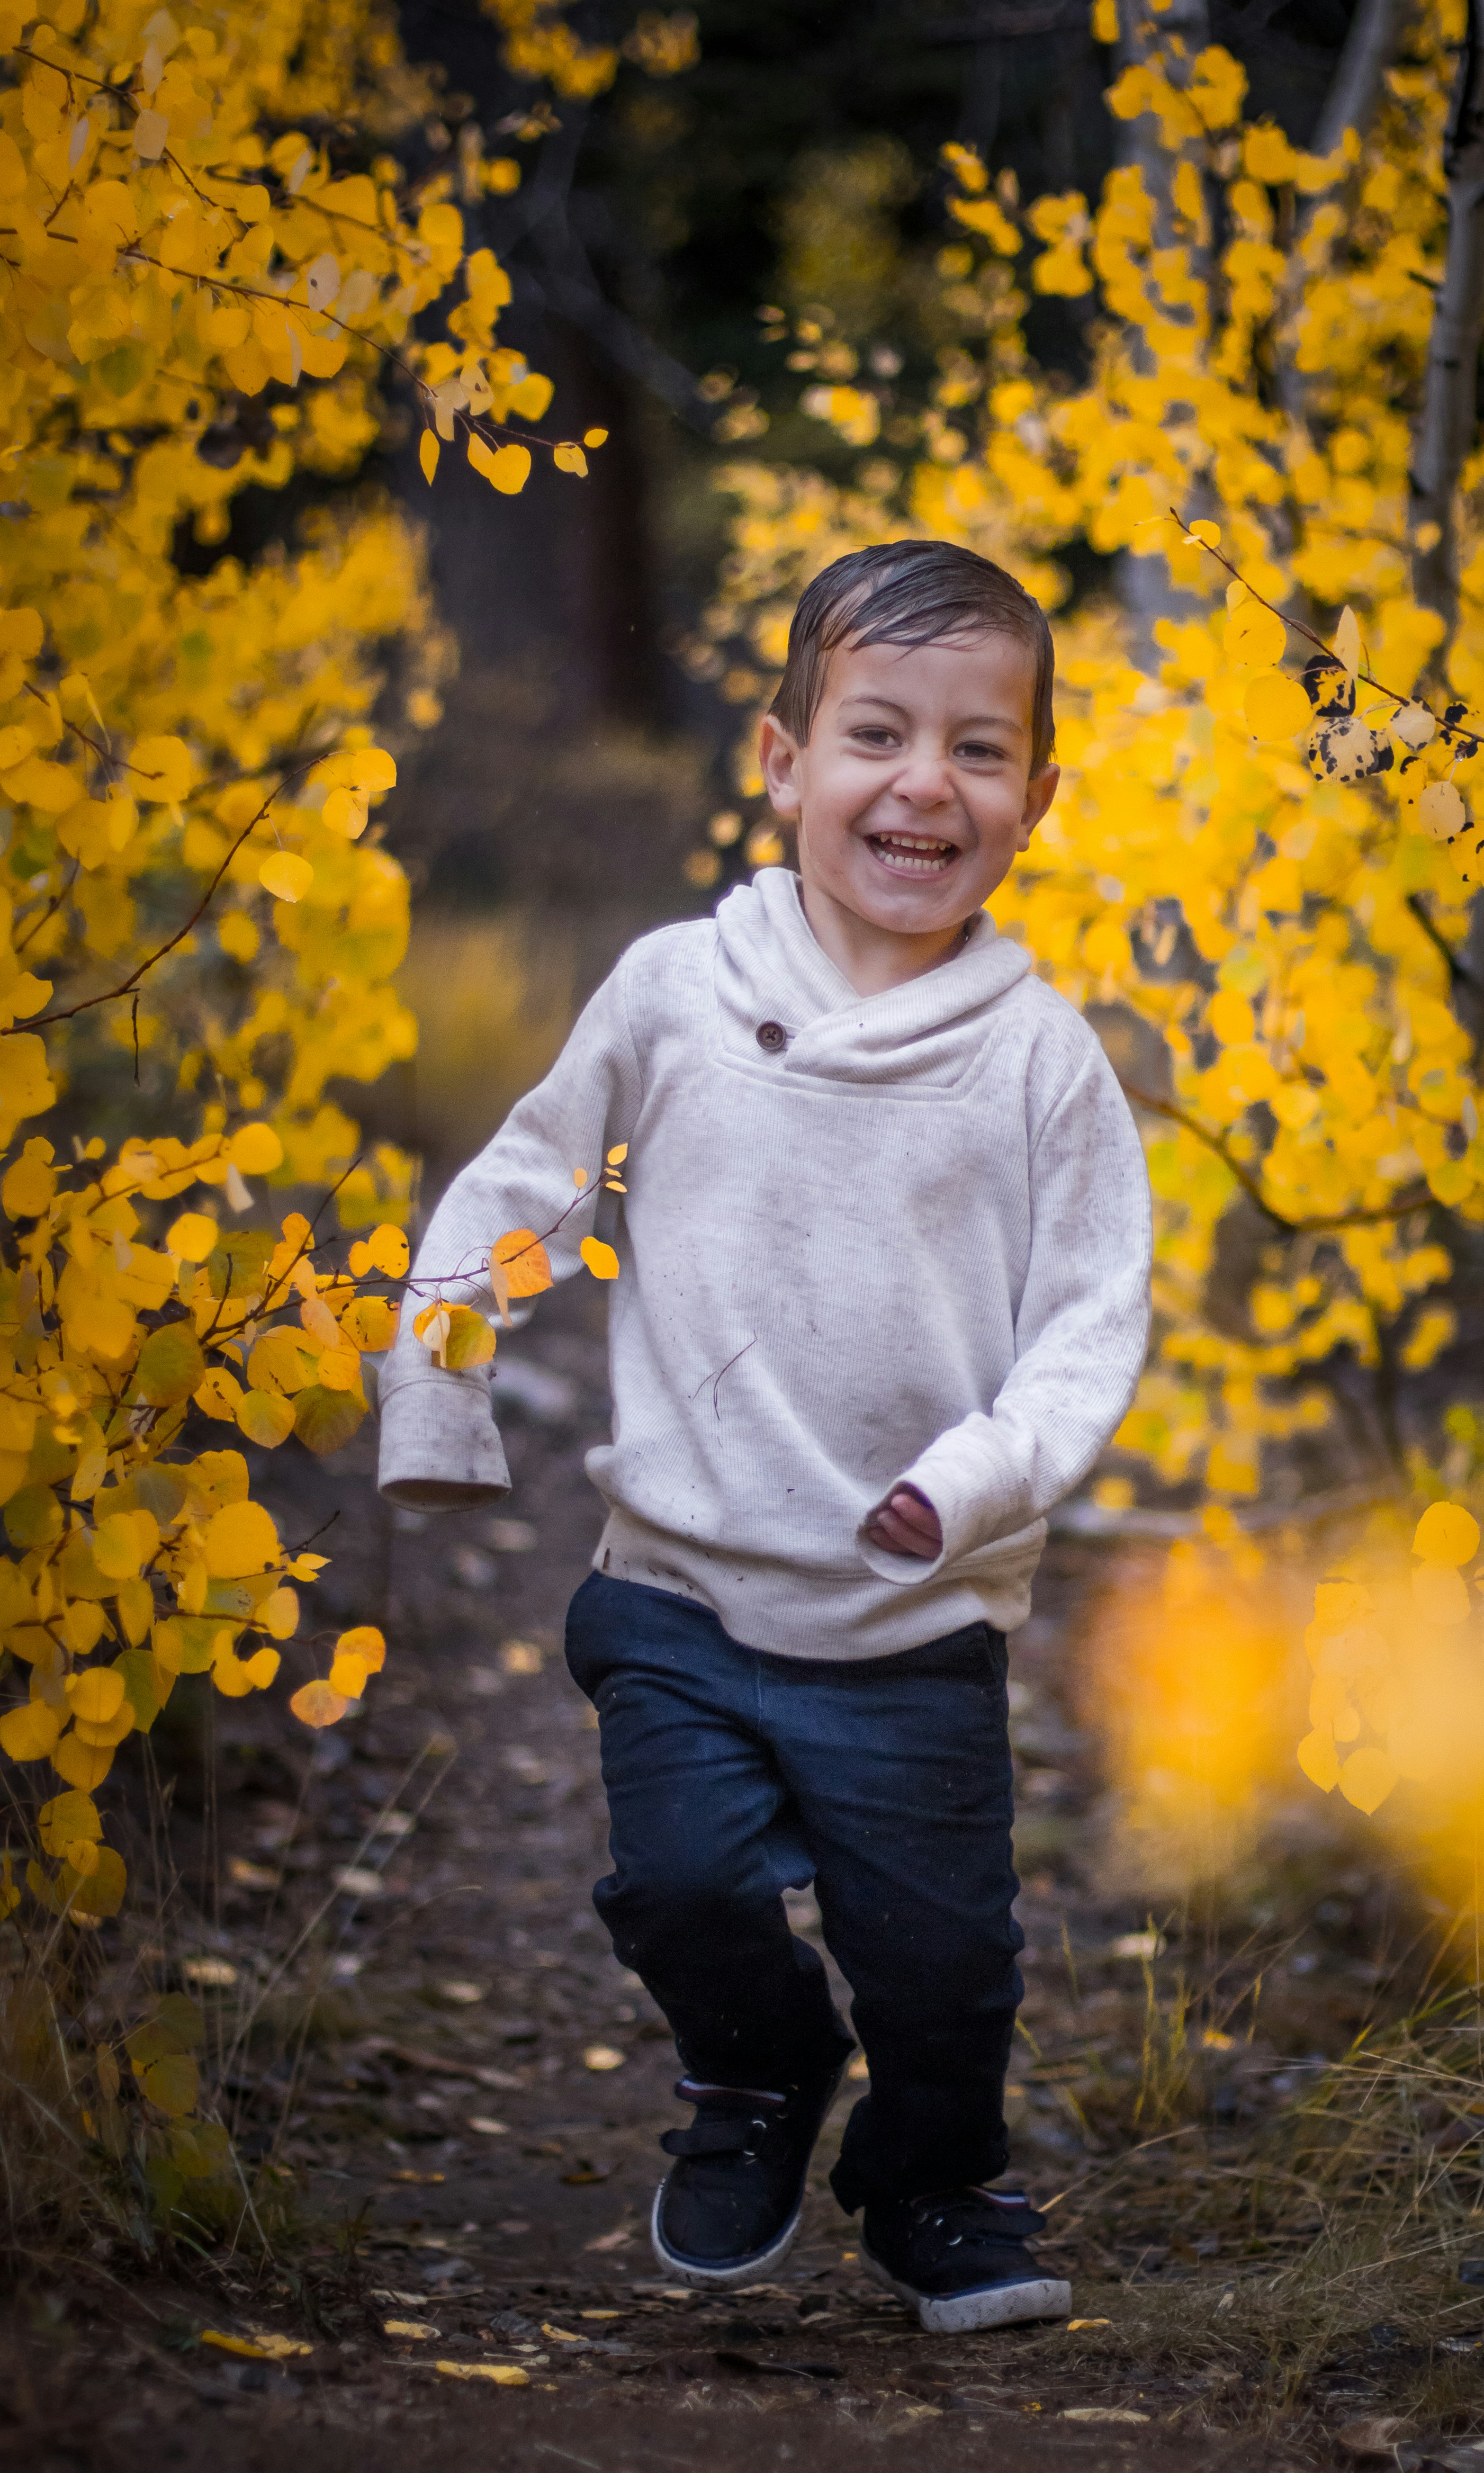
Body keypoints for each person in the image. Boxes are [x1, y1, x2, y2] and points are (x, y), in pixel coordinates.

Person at [377, 539, 1152, 2335]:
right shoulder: (675, 995)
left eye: (977, 751)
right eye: (876, 732)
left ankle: (937, 2189)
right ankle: (757, 2078)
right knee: (684, 1882)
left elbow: (1089, 1325)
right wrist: (442, 1372)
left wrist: (967, 1488)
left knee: (947, 1968)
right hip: (680, 1586)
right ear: (783, 760)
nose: (922, 785)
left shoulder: (1041, 1062)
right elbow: (526, 1184)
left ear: (1036, 796)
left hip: (910, 1616)